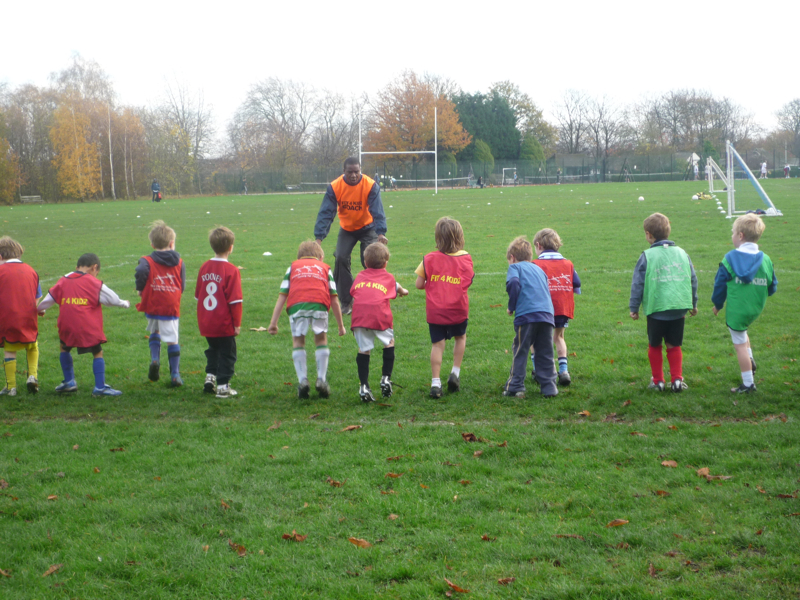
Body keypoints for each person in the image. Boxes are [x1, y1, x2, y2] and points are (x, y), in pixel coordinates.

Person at [37, 253, 131, 396]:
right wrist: (124, 303)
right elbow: (112, 299)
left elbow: (49, 299)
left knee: (64, 347)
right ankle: (99, 387)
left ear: (77, 267)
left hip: (66, 325)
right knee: (97, 352)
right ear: (94, 267)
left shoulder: (63, 280)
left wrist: (40, 309)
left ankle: (69, 381)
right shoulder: (93, 282)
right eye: (97, 272)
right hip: (87, 325)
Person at [267, 240, 346, 399]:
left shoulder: (293, 267)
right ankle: (321, 379)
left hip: (297, 305)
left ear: (299, 257)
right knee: (321, 339)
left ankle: (303, 381)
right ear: (321, 257)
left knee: (298, 341)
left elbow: (282, 296)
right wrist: (340, 325)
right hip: (319, 304)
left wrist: (273, 323)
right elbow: (334, 299)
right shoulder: (325, 268)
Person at [629, 213, 698, 393]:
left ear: (648, 234)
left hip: (656, 309)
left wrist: (634, 307)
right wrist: (693, 303)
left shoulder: (647, 256)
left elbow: (638, 283)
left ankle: (658, 381)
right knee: (674, 345)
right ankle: (677, 380)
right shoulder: (682, 253)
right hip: (678, 307)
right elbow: (692, 279)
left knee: (654, 345)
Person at [711, 214, 777, 393]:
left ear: (740, 236)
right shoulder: (766, 259)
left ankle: (748, 384)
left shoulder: (730, 258)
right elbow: (772, 285)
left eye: (733, 233)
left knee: (739, 344)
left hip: (738, 310)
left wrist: (717, 305)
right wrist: (766, 292)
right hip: (755, 307)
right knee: (743, 332)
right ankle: (750, 360)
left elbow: (719, 285)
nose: (732, 236)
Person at [313, 157, 387, 316]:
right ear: (344, 171)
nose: (353, 175)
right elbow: (326, 213)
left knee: (370, 261)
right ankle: (346, 302)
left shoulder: (370, 185)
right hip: (347, 228)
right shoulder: (335, 187)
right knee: (340, 258)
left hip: (368, 227)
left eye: (356, 172)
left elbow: (378, 211)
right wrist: (318, 239)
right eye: (350, 172)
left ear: (360, 170)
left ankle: (377, 297)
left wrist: (381, 233)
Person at [415, 217, 475, 398]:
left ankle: (435, 383)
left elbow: (419, 284)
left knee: (437, 344)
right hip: (458, 308)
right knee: (460, 337)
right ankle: (455, 373)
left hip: (436, 310)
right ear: (460, 236)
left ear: (438, 237)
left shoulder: (429, 258)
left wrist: (434, 284)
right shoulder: (466, 258)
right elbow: (468, 281)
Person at [350, 242, 408, 402]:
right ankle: (386, 378)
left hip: (359, 317)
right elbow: (397, 286)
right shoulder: (388, 277)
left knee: (364, 349)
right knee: (389, 342)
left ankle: (363, 386)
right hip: (380, 316)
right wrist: (404, 292)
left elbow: (353, 291)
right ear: (385, 263)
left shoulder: (360, 276)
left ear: (365, 262)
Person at [502, 236, 557, 398]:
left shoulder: (515, 267)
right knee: (545, 351)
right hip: (547, 314)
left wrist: (511, 306)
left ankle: (515, 385)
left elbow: (513, 283)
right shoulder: (539, 269)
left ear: (512, 258)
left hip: (527, 315)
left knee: (521, 349)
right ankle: (549, 387)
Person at [135, 220, 185, 387]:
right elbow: (182, 284)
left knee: (155, 330)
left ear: (152, 244)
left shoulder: (146, 260)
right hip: (170, 305)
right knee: (172, 340)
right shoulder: (179, 261)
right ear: (172, 243)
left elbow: (141, 271)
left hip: (153, 302)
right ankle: (175, 374)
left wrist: (140, 288)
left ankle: (155, 359)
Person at [195, 227, 243, 399]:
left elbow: (198, 296)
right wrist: (237, 324)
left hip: (207, 322)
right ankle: (223, 386)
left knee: (213, 350)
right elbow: (235, 301)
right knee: (227, 354)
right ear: (231, 248)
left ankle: (210, 378)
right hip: (223, 323)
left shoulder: (204, 267)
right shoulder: (231, 270)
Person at [531, 228, 581, 386]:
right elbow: (576, 283)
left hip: (542, 308)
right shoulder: (568, 263)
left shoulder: (536, 264)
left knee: (535, 339)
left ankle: (538, 370)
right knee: (558, 337)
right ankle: (564, 371)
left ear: (539, 245)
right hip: (562, 308)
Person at [0, 236, 42, 396]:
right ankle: (32, 376)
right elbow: (37, 295)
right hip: (28, 317)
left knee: (10, 350)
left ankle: (11, 387)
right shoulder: (31, 271)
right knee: (32, 345)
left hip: (7, 318)